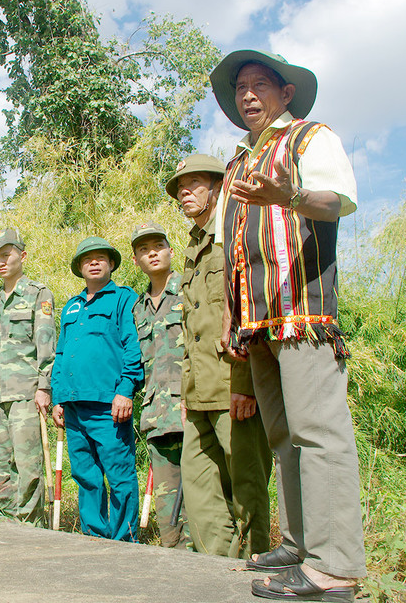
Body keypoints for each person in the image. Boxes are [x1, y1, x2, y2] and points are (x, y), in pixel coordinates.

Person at [209, 50, 365, 601]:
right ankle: (300, 544)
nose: (248, 95)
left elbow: (338, 202)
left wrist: (290, 196)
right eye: (240, 89)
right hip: (256, 322)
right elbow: (230, 248)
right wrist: (231, 315)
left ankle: (336, 567)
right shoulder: (235, 163)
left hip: (303, 311)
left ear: (286, 93)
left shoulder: (310, 138)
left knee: (320, 432)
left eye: (259, 85)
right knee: (284, 436)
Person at [165, 155, 272, 558]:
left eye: (193, 183)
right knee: (199, 491)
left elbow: (249, 316)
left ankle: (255, 565)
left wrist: (246, 385)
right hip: (198, 394)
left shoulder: (236, 236)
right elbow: (193, 330)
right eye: (180, 188)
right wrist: (184, 395)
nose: (184, 193)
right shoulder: (194, 247)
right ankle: (216, 574)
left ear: (217, 187)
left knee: (246, 486)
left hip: (233, 388)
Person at [51, 237, 143, 542]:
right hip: (74, 405)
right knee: (85, 474)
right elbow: (62, 354)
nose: (94, 262)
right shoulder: (71, 306)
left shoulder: (122, 299)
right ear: (79, 267)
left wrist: (126, 389)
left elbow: (133, 348)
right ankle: (93, 535)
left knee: (119, 474)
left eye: (101, 258)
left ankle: (124, 539)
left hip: (108, 405)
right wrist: (58, 397)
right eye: (87, 259)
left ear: (111, 264)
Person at [0, 228, 56, 526]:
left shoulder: (38, 294)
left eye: (5, 255)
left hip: (25, 394)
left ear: (22, 256)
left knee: (28, 467)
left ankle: (31, 529)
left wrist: (44, 387)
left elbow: (46, 345)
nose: (0, 262)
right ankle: (8, 526)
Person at [129, 222, 187, 548]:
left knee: (203, 503)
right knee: (168, 509)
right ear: (136, 260)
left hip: (193, 413)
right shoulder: (138, 309)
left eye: (157, 245)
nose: (151, 252)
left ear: (170, 251)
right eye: (142, 249)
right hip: (157, 418)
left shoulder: (191, 291)